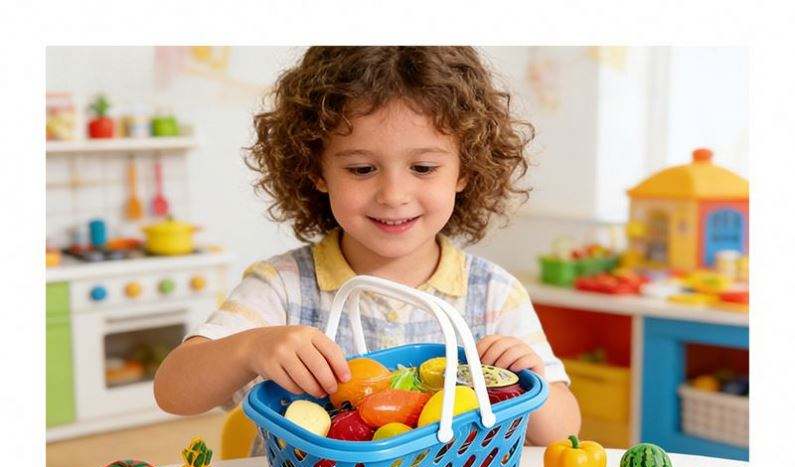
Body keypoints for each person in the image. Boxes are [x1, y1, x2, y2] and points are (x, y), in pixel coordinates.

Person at [154, 46, 580, 446]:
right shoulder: (283, 287)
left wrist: (528, 381)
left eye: (423, 167)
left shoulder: (493, 295)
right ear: (316, 170)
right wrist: (250, 348)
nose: (393, 195)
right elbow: (173, 391)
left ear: (465, 169)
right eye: (361, 168)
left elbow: (563, 431)